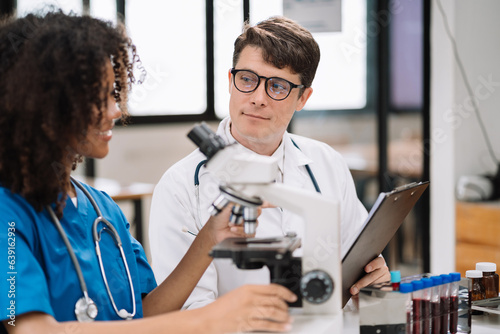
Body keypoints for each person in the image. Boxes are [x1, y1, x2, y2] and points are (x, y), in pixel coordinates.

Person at [0, 11, 297, 334]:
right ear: (42, 105)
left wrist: (210, 237)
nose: (117, 110)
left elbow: (145, 318)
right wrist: (212, 318)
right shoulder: (7, 213)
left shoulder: (103, 210)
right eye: (98, 98)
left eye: (115, 93)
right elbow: (29, 330)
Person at [149, 16, 391, 310]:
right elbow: (189, 310)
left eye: (277, 86)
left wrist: (370, 281)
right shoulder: (181, 186)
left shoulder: (326, 162)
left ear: (303, 98)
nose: (258, 98)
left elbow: (357, 264)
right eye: (247, 79)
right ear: (230, 80)